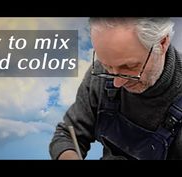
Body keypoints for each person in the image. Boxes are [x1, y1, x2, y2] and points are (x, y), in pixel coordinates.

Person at [49, 17, 182, 160]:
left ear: (162, 42)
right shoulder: (103, 71)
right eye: (108, 66)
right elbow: (67, 135)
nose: (117, 82)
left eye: (130, 67)